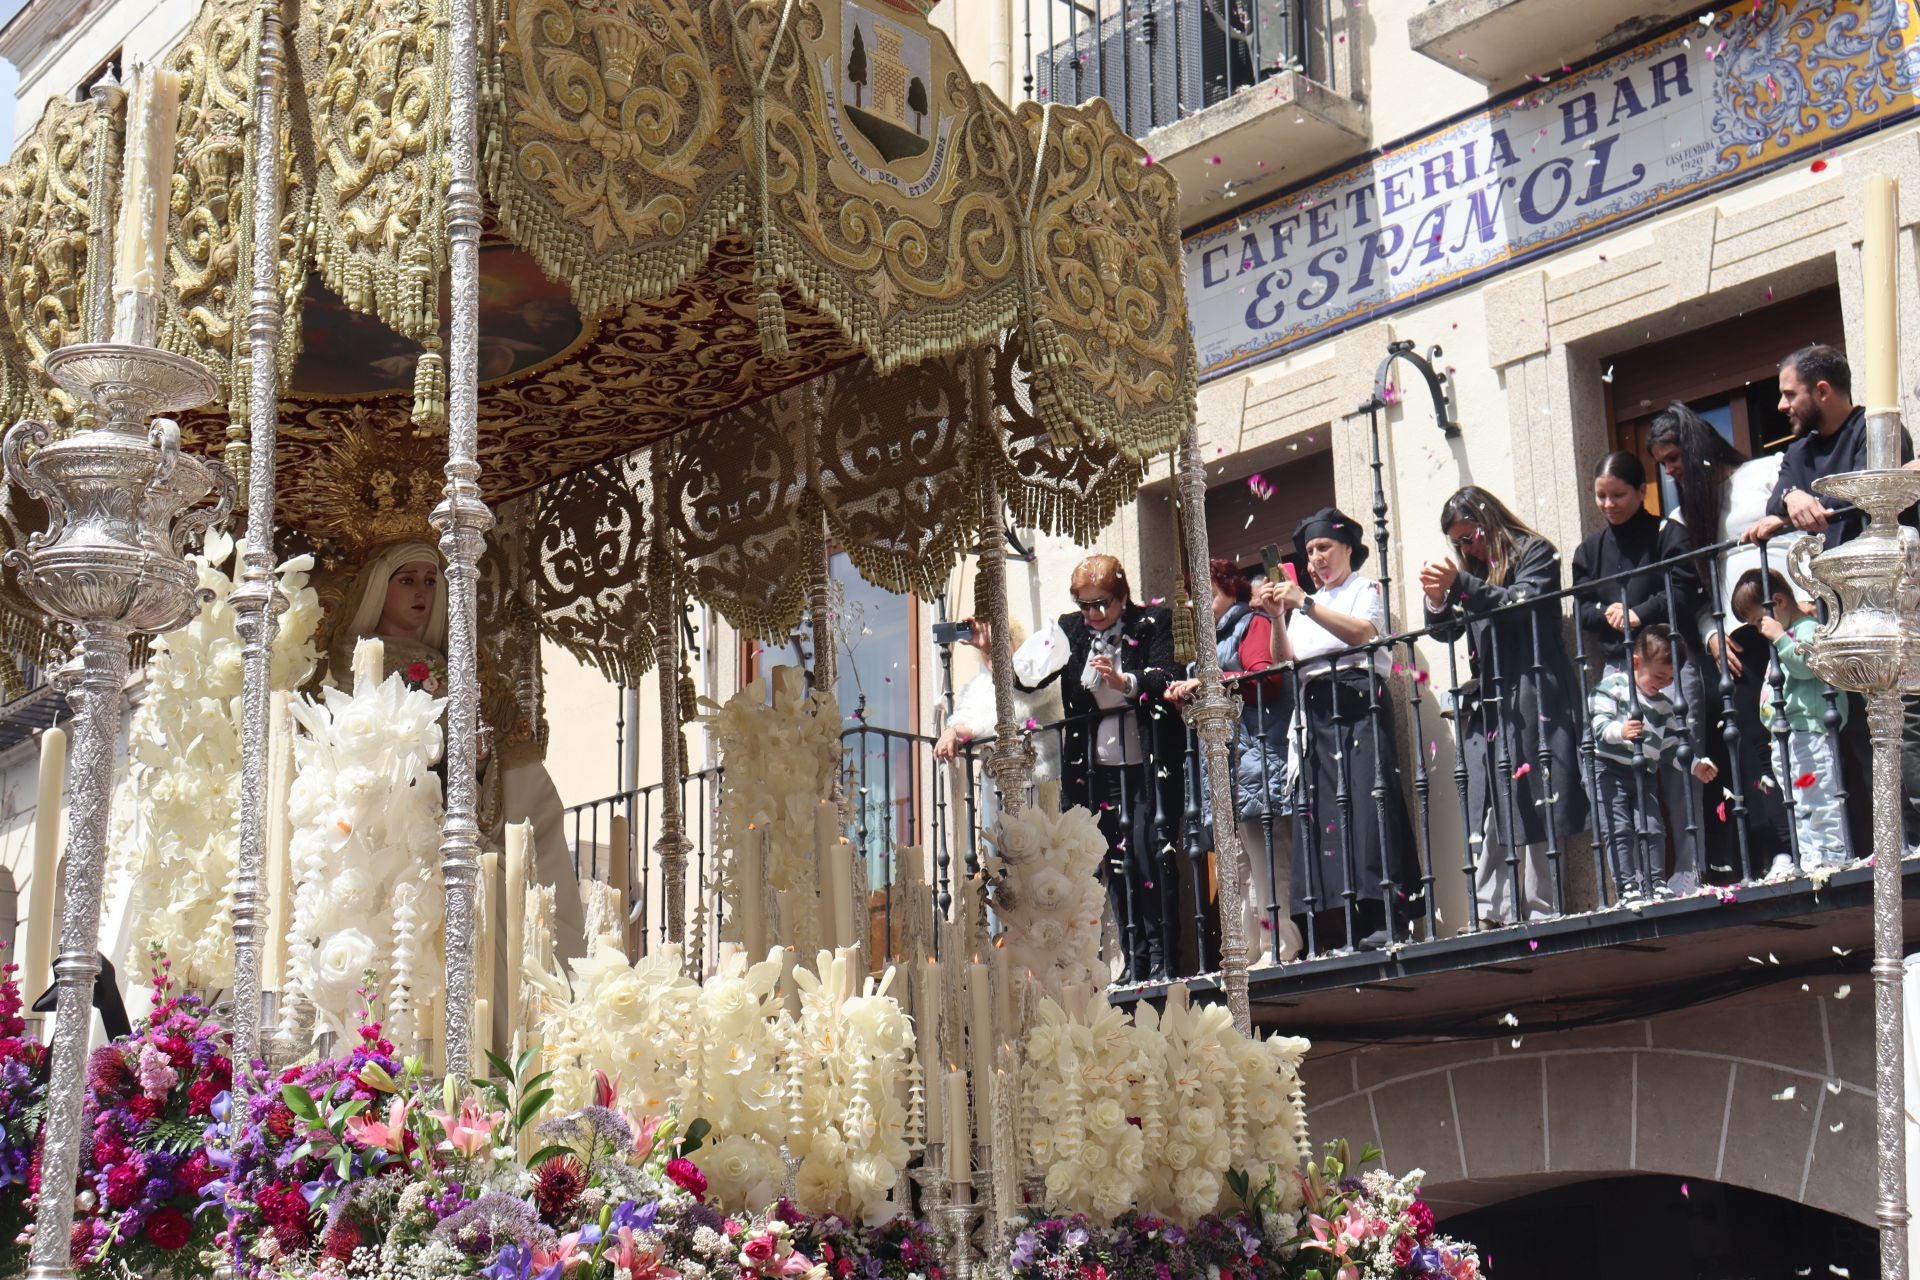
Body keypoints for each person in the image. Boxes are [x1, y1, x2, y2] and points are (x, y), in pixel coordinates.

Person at [330, 541, 587, 975]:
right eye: (407, 581)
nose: (421, 593)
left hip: (451, 833)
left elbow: (507, 777)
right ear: (378, 590)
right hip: (380, 834)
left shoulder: (463, 669)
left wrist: (481, 763)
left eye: (431, 581)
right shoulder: (345, 666)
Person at [1743, 344, 1916, 856]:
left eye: (1788, 393)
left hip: (1897, 604)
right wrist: (1791, 499)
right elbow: (1780, 498)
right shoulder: (1799, 452)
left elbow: (1874, 490)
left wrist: (1810, 499)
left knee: (1904, 729)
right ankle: (1895, 846)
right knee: (1867, 734)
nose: (1780, 405)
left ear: (1822, 391)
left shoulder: (1875, 431)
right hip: (1846, 616)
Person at [1420, 487, 1589, 926]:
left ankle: (1540, 910)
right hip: (1492, 698)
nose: (1465, 548)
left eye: (1469, 536)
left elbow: (1521, 605)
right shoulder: (1473, 573)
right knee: (1491, 800)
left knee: (1536, 796)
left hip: (1535, 690)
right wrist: (1438, 600)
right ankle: (1492, 910)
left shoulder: (1537, 552)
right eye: (1456, 543)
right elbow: (1446, 632)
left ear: (1489, 520)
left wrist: (1462, 584)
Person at [1014, 554, 1182, 983]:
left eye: (1102, 604)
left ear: (1123, 596)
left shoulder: (1152, 622)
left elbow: (1164, 674)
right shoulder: (1071, 630)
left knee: (1147, 855)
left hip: (1144, 766)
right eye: (1085, 604)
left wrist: (1125, 682)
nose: (1093, 614)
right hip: (1093, 771)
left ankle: (1164, 956)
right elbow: (1028, 681)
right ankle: (1134, 959)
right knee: (1113, 861)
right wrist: (1031, 659)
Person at [1647, 403, 1795, 884]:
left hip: (1799, 614)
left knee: (1823, 730)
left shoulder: (1766, 472)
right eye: (1662, 464)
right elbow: (1696, 588)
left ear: (1696, 446)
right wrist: (1711, 635)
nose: (1670, 470)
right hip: (1739, 636)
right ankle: (1783, 848)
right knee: (1763, 744)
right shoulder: (1684, 515)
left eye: (1673, 458)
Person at [1264, 508, 1416, 951]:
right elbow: (1284, 658)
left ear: (1349, 548)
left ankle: (1384, 917)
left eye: (1324, 547)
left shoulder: (1365, 589)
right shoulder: (1301, 604)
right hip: (1316, 711)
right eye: (1310, 551)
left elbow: (1362, 634)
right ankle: (1342, 925)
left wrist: (1305, 603)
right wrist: (1277, 616)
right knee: (1328, 817)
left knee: (1369, 810)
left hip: (1356, 701)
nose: (1317, 558)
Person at [1166, 559, 1302, 966]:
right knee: (1239, 864)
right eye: (1193, 594)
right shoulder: (1204, 647)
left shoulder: (1252, 624)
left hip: (1253, 755)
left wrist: (1210, 682)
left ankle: (1279, 948)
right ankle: (1246, 950)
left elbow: (1268, 678)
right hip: (1224, 761)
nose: (1197, 601)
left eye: (1206, 590)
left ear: (1231, 588)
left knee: (1265, 860)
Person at [1588, 626, 1720, 901]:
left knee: (1652, 826)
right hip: (1608, 769)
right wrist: (1619, 731)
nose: (1663, 683)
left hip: (1643, 773)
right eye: (1660, 675)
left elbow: (1671, 746)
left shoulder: (1663, 705)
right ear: (1636, 662)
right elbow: (1598, 725)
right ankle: (1627, 886)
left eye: (1670, 678)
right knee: (1619, 829)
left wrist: (1695, 765)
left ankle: (1655, 881)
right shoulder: (1611, 687)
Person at [1732, 568, 1851, 870]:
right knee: (1797, 800)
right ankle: (1811, 857)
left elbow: (1806, 666)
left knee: (1819, 796)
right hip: (1789, 736)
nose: (1760, 630)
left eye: (1759, 620)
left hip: (1810, 731)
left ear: (1779, 601)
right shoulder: (1785, 637)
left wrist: (1781, 640)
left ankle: (1831, 854)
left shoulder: (1808, 629)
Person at [933, 613, 1062, 825]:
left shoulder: (1037, 674)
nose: (992, 652)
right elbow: (965, 720)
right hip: (998, 796)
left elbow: (1027, 697)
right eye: (987, 650)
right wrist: (951, 732)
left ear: (1016, 643)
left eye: (999, 643)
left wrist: (990, 641)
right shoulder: (978, 687)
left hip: (1042, 789)